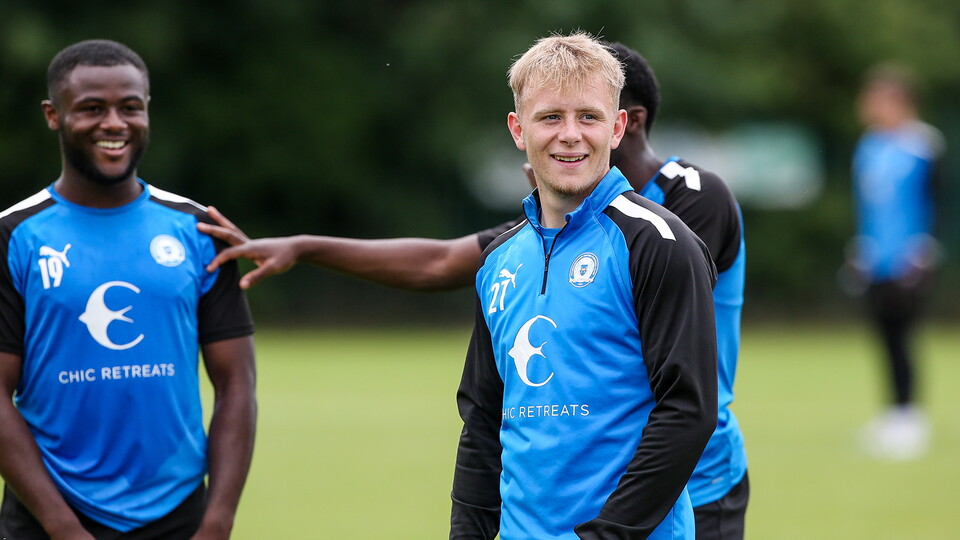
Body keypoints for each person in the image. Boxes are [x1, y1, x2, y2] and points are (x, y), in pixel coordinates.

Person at [200, 42, 750, 539]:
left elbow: (686, 407)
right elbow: (484, 419)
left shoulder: (664, 236)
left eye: (588, 116)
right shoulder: (504, 258)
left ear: (619, 126)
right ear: (517, 130)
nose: (569, 133)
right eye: (550, 117)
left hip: (663, 510)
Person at [0, 39, 257, 540]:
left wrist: (218, 520)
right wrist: (63, 528)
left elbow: (237, 384)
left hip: (179, 515)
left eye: (130, 108)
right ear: (53, 115)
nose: (114, 124)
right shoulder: (13, 237)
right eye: (92, 109)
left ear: (147, 112)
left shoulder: (199, 229)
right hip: (49, 516)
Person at [847, 63, 944, 461]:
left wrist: (923, 250)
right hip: (876, 259)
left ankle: (911, 418)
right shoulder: (868, 146)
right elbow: (868, 207)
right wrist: (860, 250)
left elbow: (936, 202)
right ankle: (893, 414)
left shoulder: (924, 145)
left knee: (905, 335)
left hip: (910, 259)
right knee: (883, 335)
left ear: (900, 101)